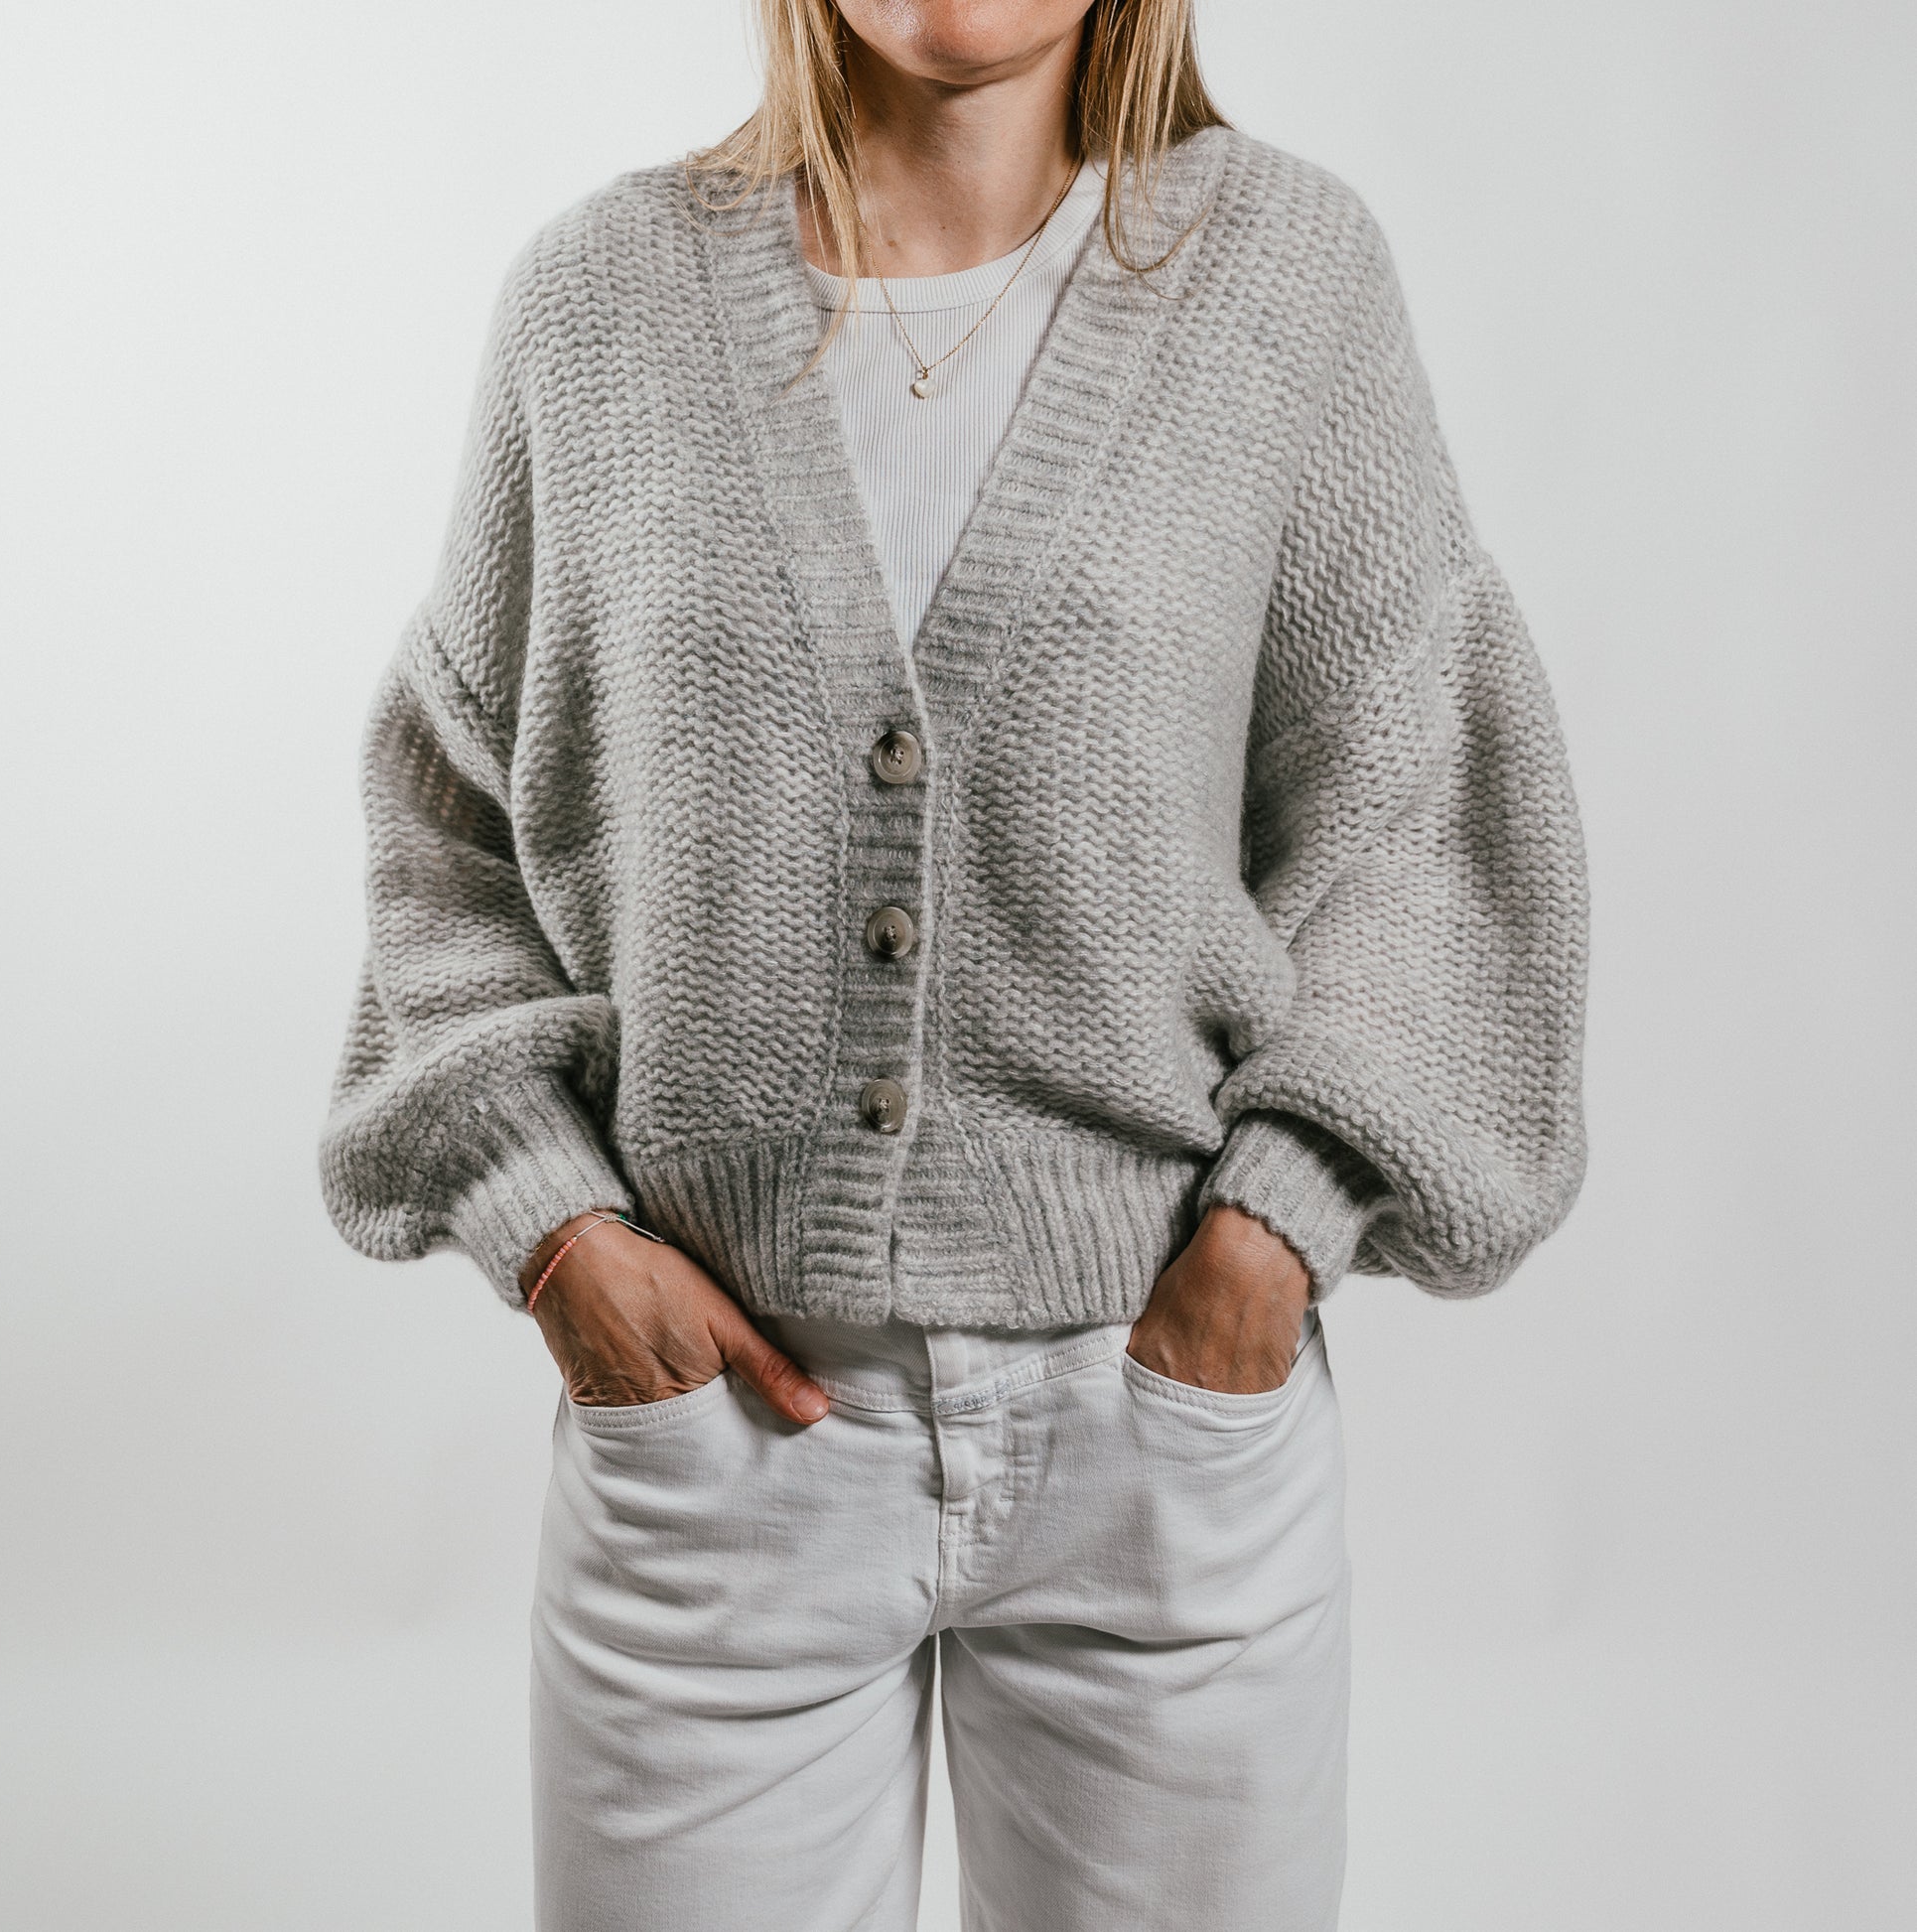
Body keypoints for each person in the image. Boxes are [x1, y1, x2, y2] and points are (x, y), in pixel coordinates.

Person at [320, 2, 1588, 1926]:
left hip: (1160, 1423)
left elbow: (1424, 800)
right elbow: (447, 820)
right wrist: (558, 1233)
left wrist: (1272, 1233)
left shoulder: (1284, 278)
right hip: (715, 1442)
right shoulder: (598, 302)